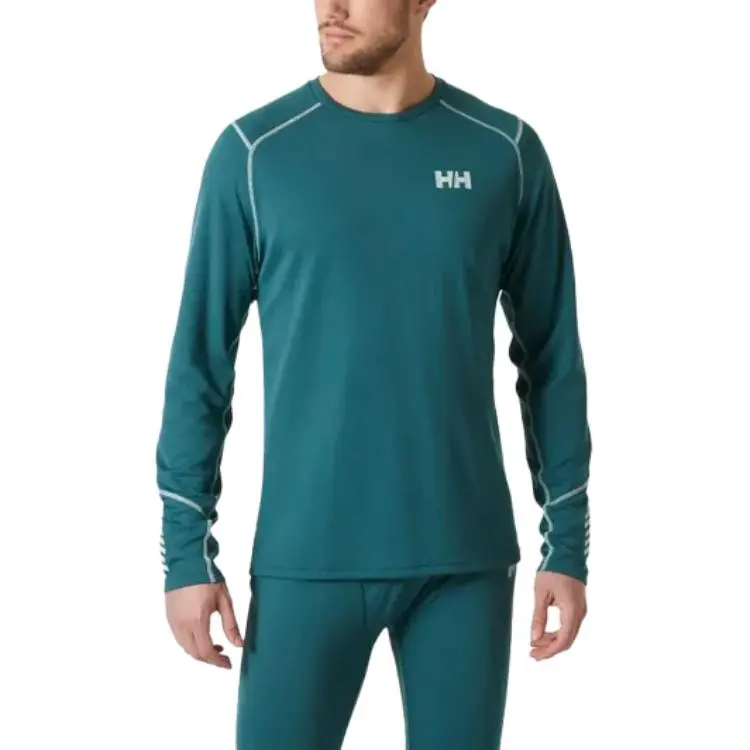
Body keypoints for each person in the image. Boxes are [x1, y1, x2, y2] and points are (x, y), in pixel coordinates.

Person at [155, 0, 592, 747]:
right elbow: (200, 363)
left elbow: (552, 359)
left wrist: (569, 545)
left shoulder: (504, 153)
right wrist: (185, 553)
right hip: (306, 559)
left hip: (464, 563)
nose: (331, 6)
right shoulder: (255, 154)